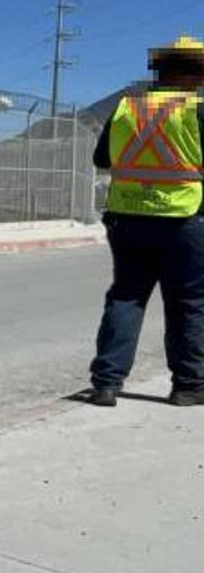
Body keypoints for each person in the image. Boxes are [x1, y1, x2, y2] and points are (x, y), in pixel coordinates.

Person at [87, 36, 204, 408]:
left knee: (127, 296)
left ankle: (106, 384)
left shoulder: (127, 106)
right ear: (195, 73)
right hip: (184, 218)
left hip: (127, 218)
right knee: (188, 302)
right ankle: (188, 386)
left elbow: (102, 159)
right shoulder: (196, 110)